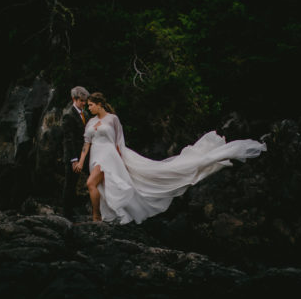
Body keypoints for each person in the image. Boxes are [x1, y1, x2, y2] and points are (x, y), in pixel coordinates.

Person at [75, 92, 267, 224]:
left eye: (91, 105)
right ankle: (103, 215)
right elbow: (86, 143)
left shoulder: (112, 119)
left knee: (91, 184)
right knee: (99, 185)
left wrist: (121, 160)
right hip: (94, 156)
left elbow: (118, 142)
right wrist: (82, 161)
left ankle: (96, 217)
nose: (88, 108)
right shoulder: (91, 122)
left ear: (99, 104)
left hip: (109, 156)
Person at [61, 86, 91, 218]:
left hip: (85, 154)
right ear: (74, 99)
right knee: (70, 184)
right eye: (82, 101)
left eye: (85, 101)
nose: (84, 103)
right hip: (73, 156)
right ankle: (67, 213)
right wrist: (74, 160)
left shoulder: (85, 113)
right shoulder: (68, 115)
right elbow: (68, 139)